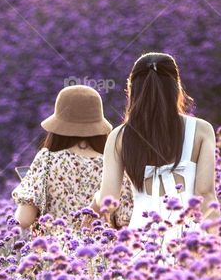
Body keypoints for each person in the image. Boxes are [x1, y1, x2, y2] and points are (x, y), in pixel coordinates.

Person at [93, 52, 219, 243]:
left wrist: (94, 203)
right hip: (190, 239)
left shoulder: (119, 136)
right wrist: (217, 245)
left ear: (132, 90)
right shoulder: (202, 130)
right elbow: (205, 193)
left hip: (141, 239)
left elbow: (108, 201)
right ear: (176, 88)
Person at [12, 85, 132, 229]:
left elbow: (24, 219)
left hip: (56, 248)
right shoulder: (114, 164)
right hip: (102, 250)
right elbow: (124, 220)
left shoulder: (46, 160)